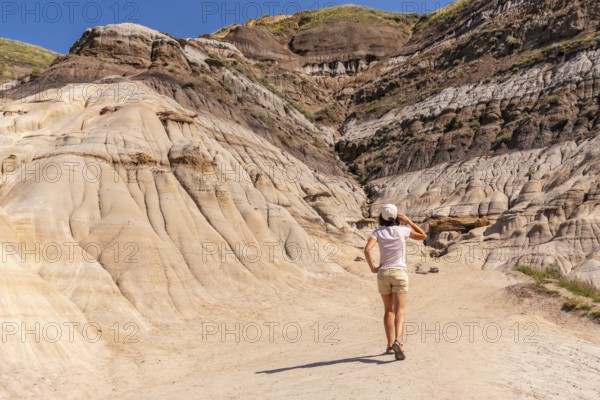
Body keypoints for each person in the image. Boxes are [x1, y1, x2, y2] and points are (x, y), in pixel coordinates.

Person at [364, 204, 427, 360]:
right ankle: (398, 340)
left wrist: (373, 268)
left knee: (388, 310)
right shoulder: (403, 230)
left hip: (384, 273)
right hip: (399, 273)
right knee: (400, 310)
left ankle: (390, 345)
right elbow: (423, 236)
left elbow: (367, 250)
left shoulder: (377, 232)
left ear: (382, 218)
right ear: (397, 217)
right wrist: (409, 222)